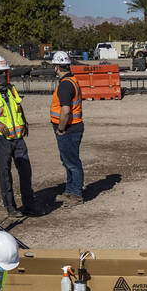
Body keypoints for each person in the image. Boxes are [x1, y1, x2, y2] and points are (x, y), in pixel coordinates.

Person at [0, 55, 36, 217]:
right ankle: (11, 207)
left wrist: (25, 121)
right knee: (5, 173)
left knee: (25, 171)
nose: (3, 75)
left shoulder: (11, 89)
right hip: (2, 140)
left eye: (5, 72)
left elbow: (18, 106)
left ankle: (29, 204)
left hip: (18, 138)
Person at [49, 51, 85, 203]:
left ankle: (75, 194)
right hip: (74, 128)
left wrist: (61, 129)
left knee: (72, 162)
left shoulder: (65, 85)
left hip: (69, 130)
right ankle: (70, 191)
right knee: (69, 161)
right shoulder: (72, 80)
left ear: (56, 67)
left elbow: (65, 111)